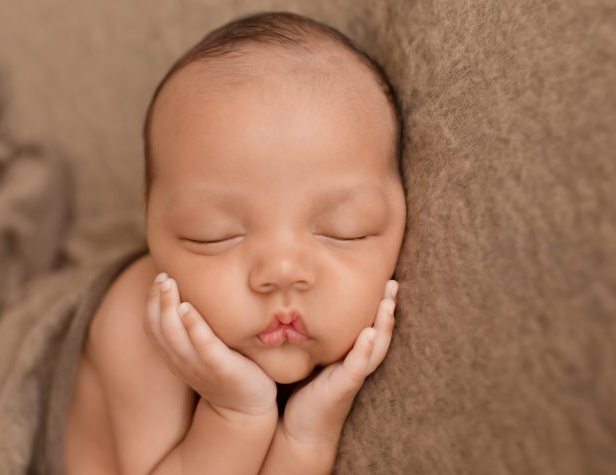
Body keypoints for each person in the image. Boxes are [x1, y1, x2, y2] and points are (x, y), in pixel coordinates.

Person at [65, 10, 406, 475]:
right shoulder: (136, 330)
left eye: (345, 229)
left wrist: (308, 434)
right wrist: (236, 414)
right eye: (214, 234)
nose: (282, 272)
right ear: (150, 225)